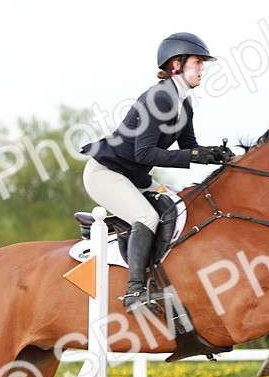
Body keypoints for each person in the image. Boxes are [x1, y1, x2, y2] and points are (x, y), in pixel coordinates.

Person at [82, 31, 234, 312]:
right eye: (197, 62)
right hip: (106, 173)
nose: (202, 68)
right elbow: (144, 153)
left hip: (134, 178)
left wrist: (214, 155)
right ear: (176, 64)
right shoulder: (160, 98)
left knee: (179, 205)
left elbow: (189, 146)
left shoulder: (184, 103)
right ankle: (134, 292)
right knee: (146, 216)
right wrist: (192, 155)